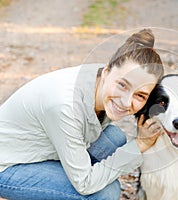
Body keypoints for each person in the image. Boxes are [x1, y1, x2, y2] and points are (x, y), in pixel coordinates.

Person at [0, 29, 164, 199]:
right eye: (122, 85)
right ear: (107, 71)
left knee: (115, 138)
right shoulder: (65, 105)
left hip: (43, 148)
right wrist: (140, 145)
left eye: (140, 95)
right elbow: (85, 184)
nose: (125, 101)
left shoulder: (101, 78)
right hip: (8, 164)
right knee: (105, 193)